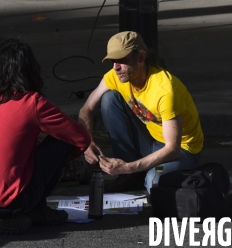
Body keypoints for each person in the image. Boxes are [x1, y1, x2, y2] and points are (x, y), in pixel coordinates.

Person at [0, 38, 91, 235]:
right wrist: (58, 162)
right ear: (29, 71)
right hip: (9, 201)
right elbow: (80, 137)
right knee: (62, 142)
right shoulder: (32, 102)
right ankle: (35, 210)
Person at [78, 31, 204, 193]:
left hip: (182, 151)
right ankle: (130, 177)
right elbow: (86, 109)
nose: (116, 67)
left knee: (154, 181)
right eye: (113, 61)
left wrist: (128, 167)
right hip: (151, 142)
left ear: (141, 58)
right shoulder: (116, 76)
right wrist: (87, 142)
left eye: (122, 60)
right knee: (109, 99)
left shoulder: (165, 89)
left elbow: (172, 149)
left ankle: (134, 172)